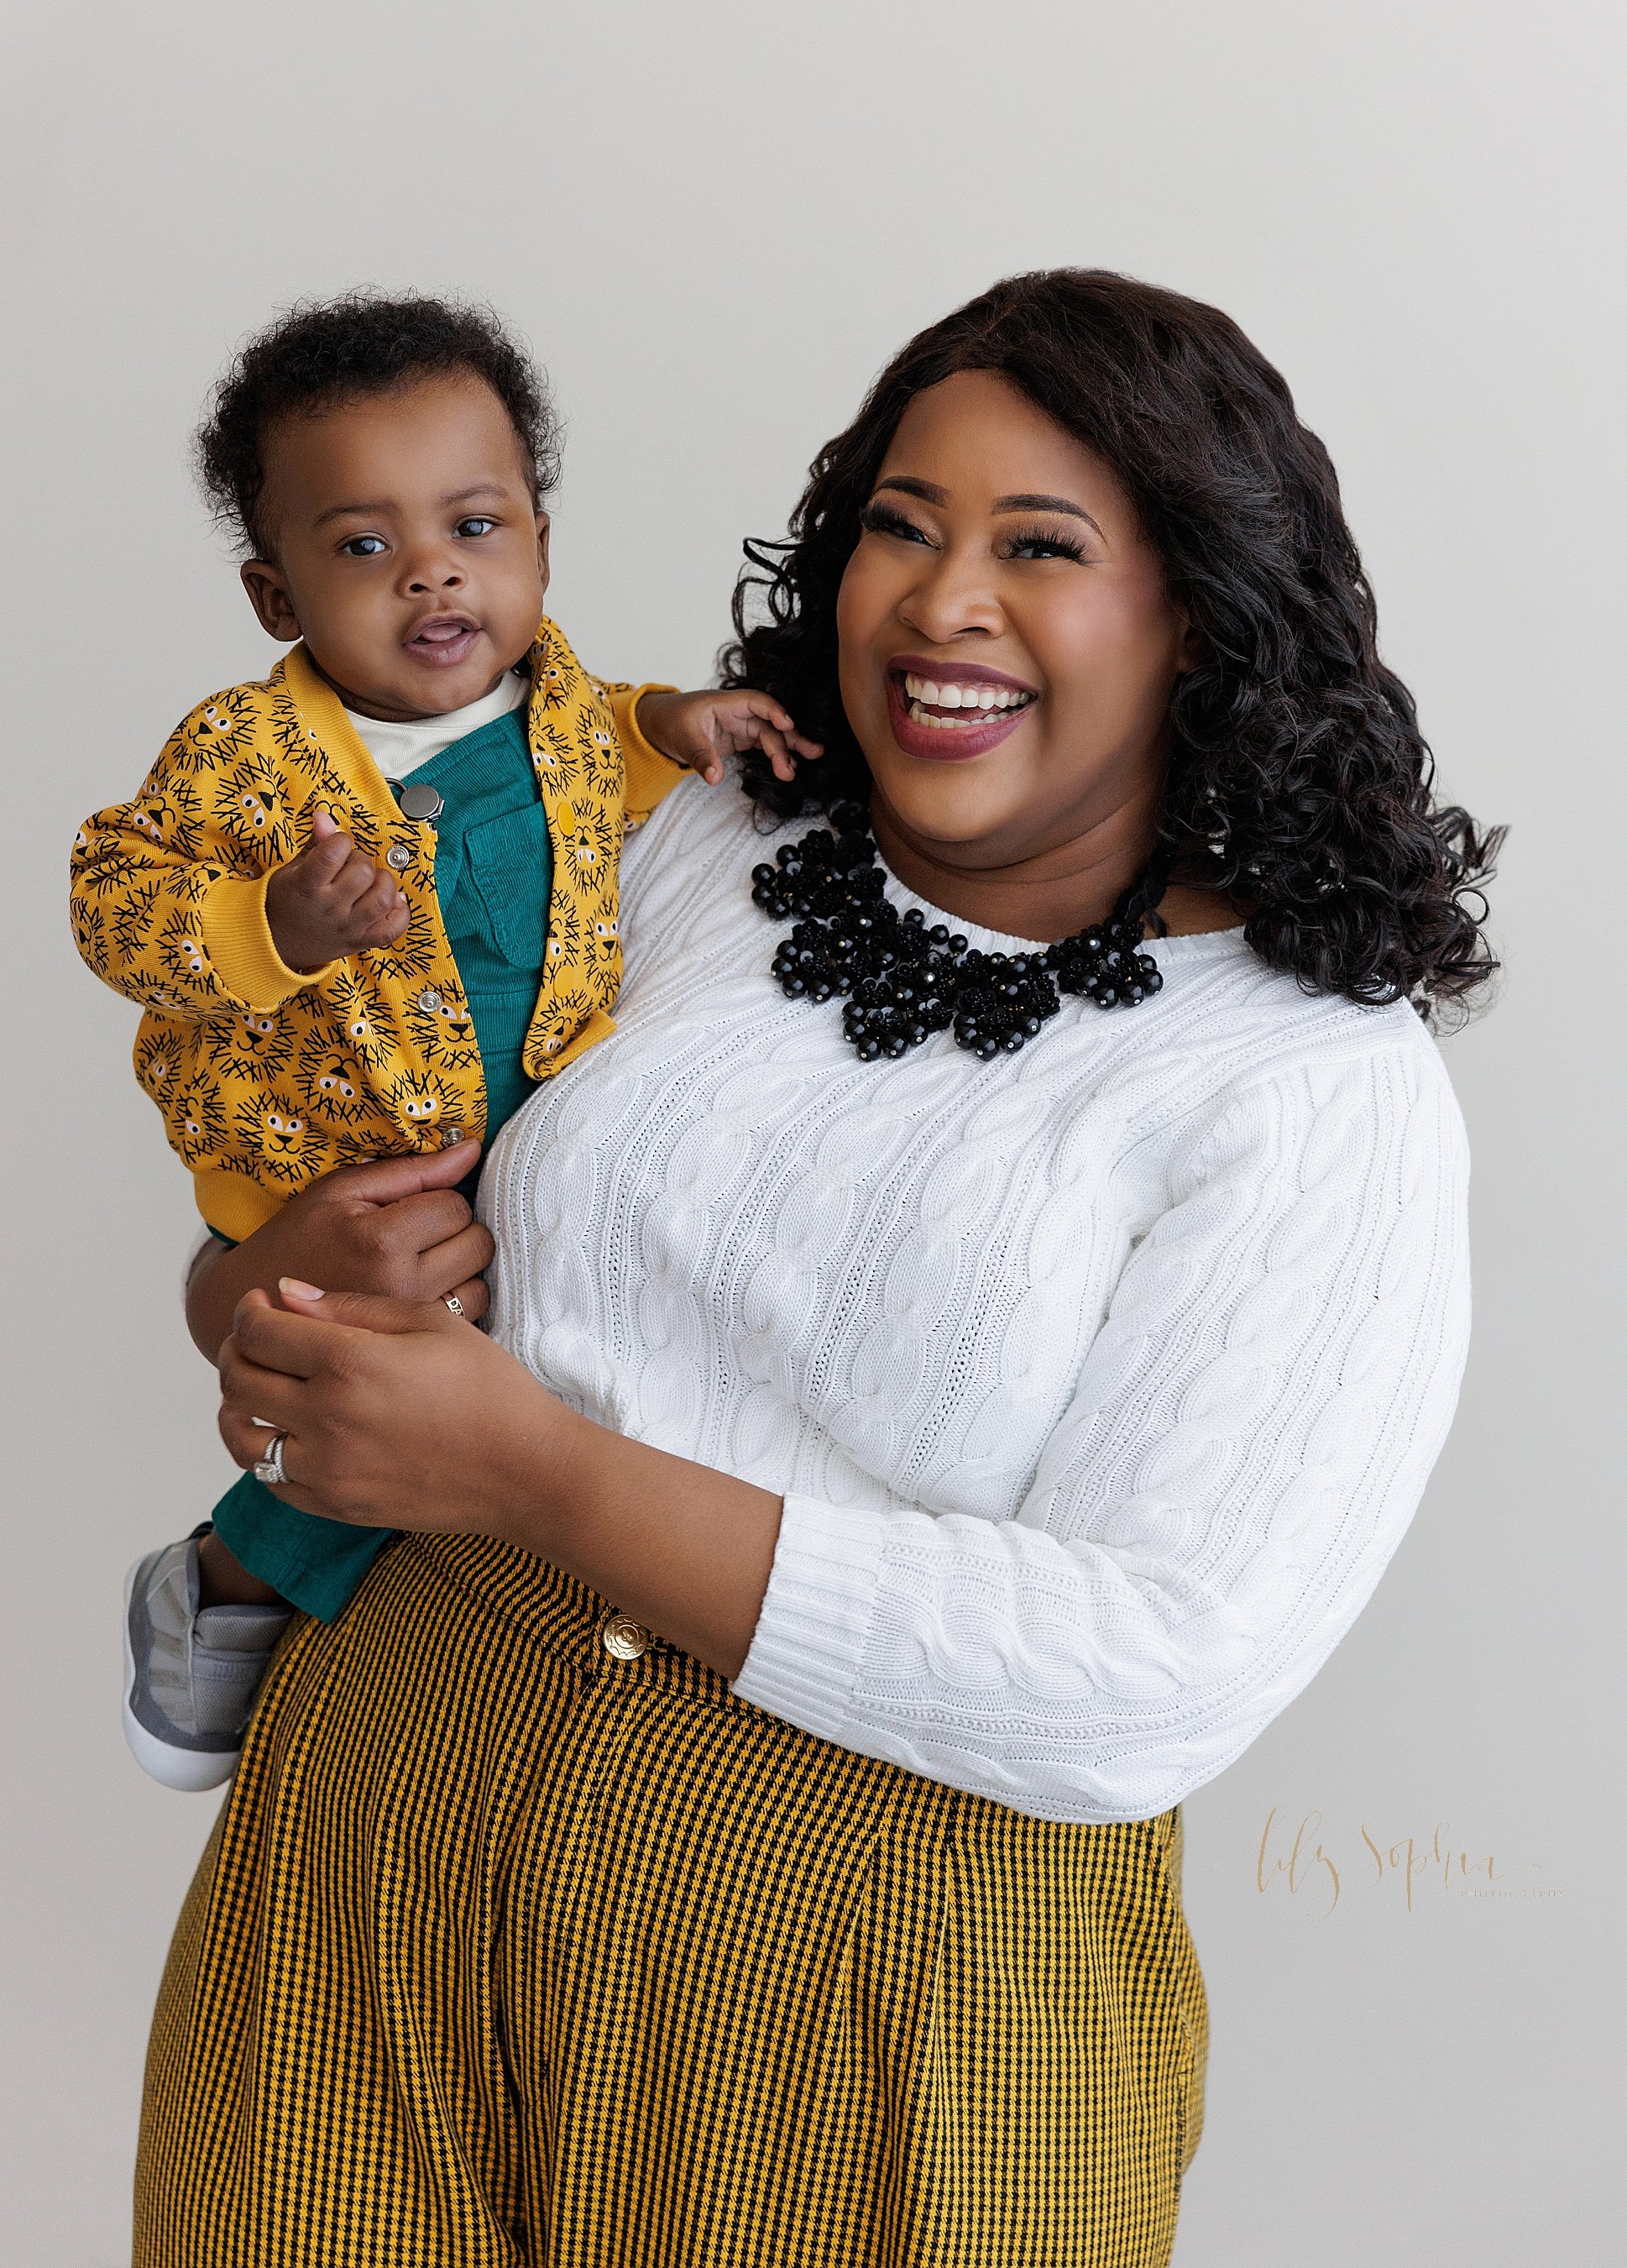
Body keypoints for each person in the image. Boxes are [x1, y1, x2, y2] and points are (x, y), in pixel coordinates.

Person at [134, 270, 1499, 2268]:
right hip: (379, 1846)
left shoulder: (1304, 1085)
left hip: (880, 1983)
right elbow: (305, 1189)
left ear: (1196, 612)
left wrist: (540, 1474)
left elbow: (1157, 1666)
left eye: (1040, 548)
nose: (943, 601)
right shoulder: (688, 835)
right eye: (902, 526)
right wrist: (258, 1281)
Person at [71, 294, 814, 1783]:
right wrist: (271, 926)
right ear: (277, 599)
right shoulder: (246, 757)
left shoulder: (558, 708)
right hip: (347, 1163)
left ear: (538, 542)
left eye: (475, 526)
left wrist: (684, 723)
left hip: (522, 1118)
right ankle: (223, 1587)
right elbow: (114, 901)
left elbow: (614, 734)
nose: (431, 572)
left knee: (498, 1386)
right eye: (361, 547)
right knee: (388, 1387)